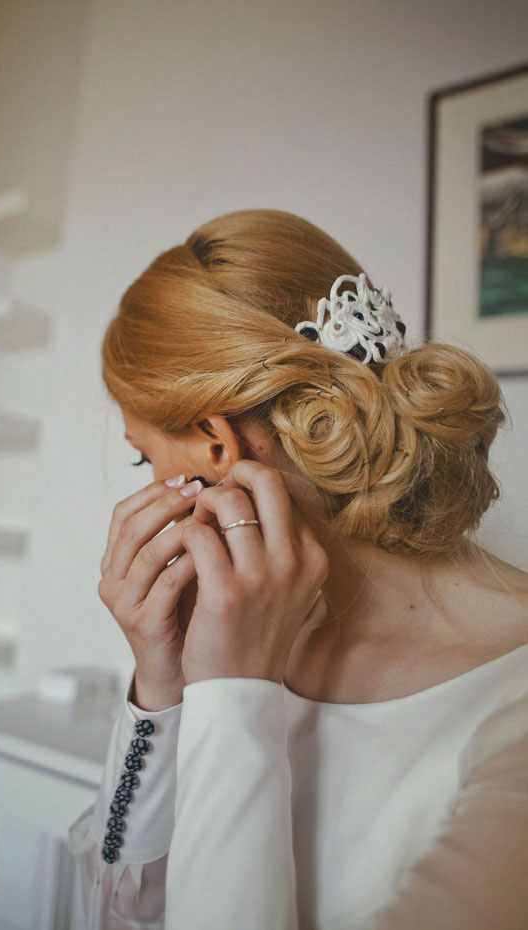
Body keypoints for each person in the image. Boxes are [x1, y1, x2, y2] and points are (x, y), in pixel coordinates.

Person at [68, 209, 528, 930]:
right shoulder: (222, 643)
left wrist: (234, 688)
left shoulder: (513, 708)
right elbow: (122, 906)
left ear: (218, 446)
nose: (145, 480)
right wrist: (160, 691)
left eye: (143, 454)